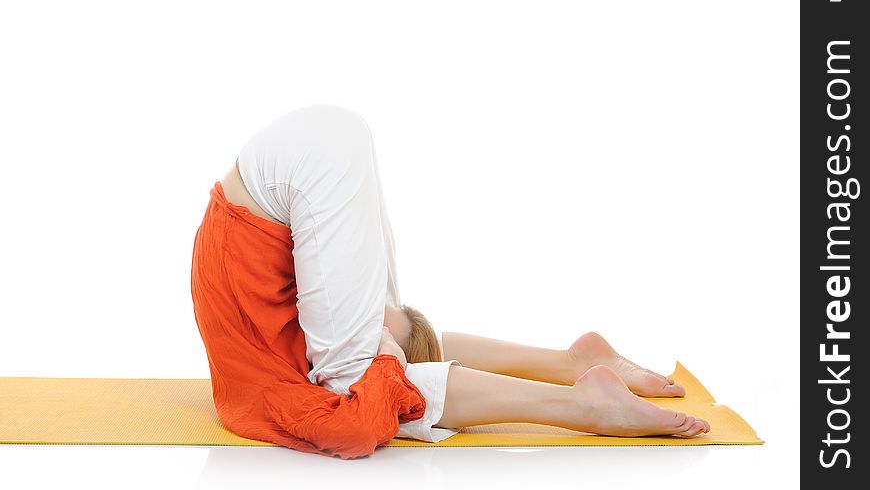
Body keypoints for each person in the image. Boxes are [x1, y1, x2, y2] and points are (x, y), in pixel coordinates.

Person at [190, 104, 709, 460]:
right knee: (373, 366)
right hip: (303, 159)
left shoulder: (269, 396)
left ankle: (582, 405)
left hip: (290, 179)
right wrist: (392, 353)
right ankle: (571, 366)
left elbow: (356, 425)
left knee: (359, 386)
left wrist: (387, 363)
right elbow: (383, 369)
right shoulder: (282, 347)